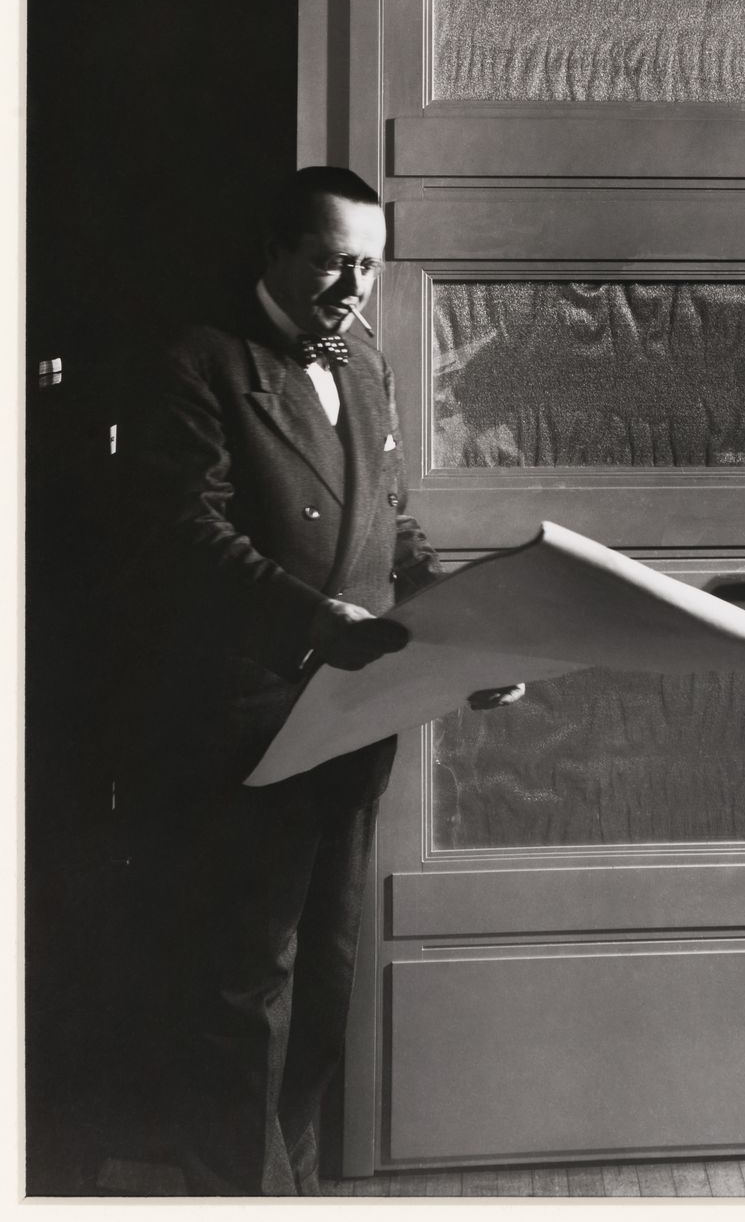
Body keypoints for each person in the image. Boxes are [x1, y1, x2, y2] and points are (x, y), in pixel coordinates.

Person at [121, 166, 521, 1196]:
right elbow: (182, 532)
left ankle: (286, 1183)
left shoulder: (366, 362)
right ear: (275, 252)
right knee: (244, 983)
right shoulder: (197, 361)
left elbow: (395, 532)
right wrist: (306, 619)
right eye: (333, 262)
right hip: (247, 710)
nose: (352, 288)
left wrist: (473, 641)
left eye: (369, 267)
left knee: (330, 969)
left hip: (354, 711)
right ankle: (245, 1198)